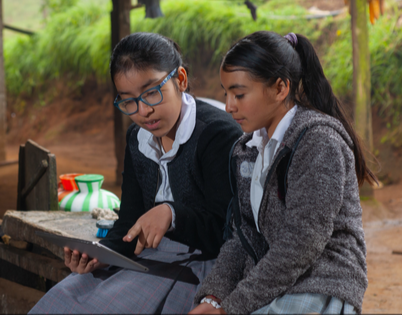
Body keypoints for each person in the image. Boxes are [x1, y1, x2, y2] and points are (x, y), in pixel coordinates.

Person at [29, 32, 243, 314]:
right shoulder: (137, 138)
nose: (143, 111)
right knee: (65, 298)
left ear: (180, 79)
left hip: (202, 266)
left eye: (152, 92)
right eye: (128, 101)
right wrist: (102, 255)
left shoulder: (215, 134)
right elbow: (129, 220)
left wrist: (171, 214)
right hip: (149, 258)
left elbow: (227, 233)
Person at [190, 31, 377, 315]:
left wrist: (233, 307)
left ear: (280, 89)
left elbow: (301, 244)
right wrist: (214, 297)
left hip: (320, 286)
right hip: (272, 284)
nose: (228, 106)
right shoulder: (248, 148)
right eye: (226, 93)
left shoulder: (318, 142)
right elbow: (243, 236)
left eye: (239, 94)